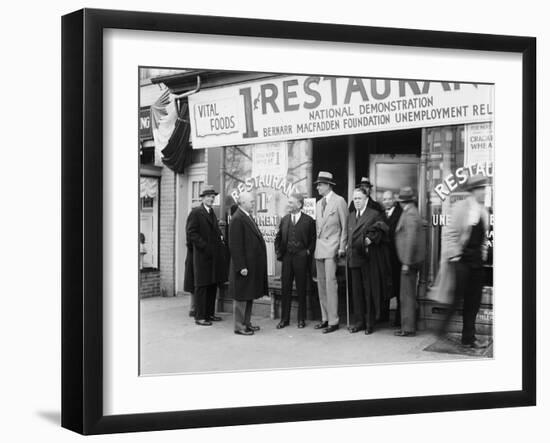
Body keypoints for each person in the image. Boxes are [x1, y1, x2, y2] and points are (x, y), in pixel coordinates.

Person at [437, 175, 489, 348]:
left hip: (476, 264)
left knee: (473, 302)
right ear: (473, 191)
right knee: (456, 299)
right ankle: (441, 329)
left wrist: (482, 255)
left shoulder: (483, 211)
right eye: (481, 189)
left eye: (484, 188)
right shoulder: (460, 208)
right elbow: (450, 233)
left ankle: (468, 338)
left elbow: (483, 239)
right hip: (462, 261)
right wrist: (455, 256)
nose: (484, 192)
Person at [346, 187, 392, 335]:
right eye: (354, 199)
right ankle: (359, 322)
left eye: (359, 198)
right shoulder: (351, 215)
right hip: (354, 258)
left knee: (369, 292)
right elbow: (349, 236)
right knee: (357, 292)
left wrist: (371, 239)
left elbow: (382, 231)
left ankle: (369, 323)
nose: (356, 201)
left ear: (366, 199)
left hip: (368, 259)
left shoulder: (374, 214)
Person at [186, 185, 228, 326]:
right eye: (208, 196)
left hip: (213, 257)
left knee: (212, 285)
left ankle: (209, 314)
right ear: (202, 198)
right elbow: (191, 233)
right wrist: (204, 246)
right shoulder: (196, 213)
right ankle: (200, 316)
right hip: (202, 257)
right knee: (202, 286)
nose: (211, 198)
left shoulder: (211, 212)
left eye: (212, 196)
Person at [228, 191, 268, 336]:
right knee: (241, 297)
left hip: (250, 265)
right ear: (242, 202)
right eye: (251, 201)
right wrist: (241, 266)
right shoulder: (237, 218)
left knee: (248, 295)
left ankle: (246, 323)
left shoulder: (246, 216)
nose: (253, 203)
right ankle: (239, 326)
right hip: (243, 267)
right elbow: (235, 245)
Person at [274, 192, 316, 329]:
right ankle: (284, 319)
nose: (288, 204)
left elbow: (313, 239)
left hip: (301, 258)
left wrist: (307, 252)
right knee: (285, 288)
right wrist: (279, 253)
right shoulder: (285, 219)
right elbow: (278, 238)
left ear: (299, 204)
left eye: (291, 202)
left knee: (301, 288)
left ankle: (301, 319)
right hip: (287, 257)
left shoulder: (309, 221)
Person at [313, 171, 348, 334]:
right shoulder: (319, 204)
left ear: (328, 185)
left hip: (333, 247)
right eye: (318, 185)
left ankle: (334, 320)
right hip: (320, 248)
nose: (318, 187)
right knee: (321, 285)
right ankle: (325, 318)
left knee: (330, 284)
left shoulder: (339, 201)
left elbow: (344, 227)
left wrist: (342, 247)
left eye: (320, 184)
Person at [393, 187, 425, 337]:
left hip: (409, 261)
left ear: (401, 202)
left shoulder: (410, 214)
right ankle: (408, 325)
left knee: (406, 296)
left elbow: (411, 239)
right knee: (407, 294)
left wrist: (406, 262)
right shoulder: (411, 211)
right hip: (410, 260)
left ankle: (408, 328)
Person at [382, 190, 403, 326]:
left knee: (398, 288)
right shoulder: (381, 215)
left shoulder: (400, 214)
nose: (387, 201)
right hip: (384, 257)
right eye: (384, 199)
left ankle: (399, 319)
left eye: (389, 199)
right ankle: (383, 316)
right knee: (385, 287)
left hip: (396, 257)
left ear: (394, 200)